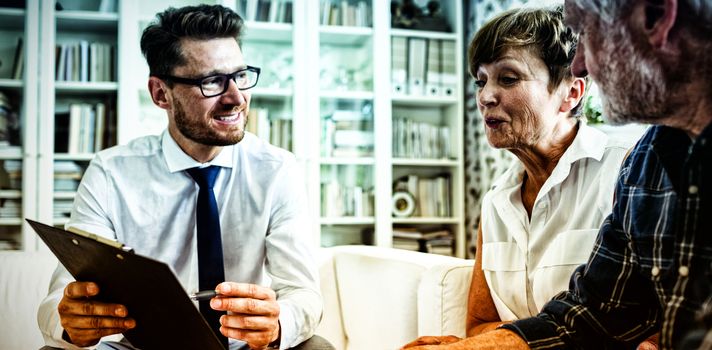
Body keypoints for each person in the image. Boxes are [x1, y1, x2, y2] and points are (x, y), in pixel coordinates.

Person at [403, 0, 712, 348]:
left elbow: (639, 324)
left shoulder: (623, 164)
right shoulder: (649, 163)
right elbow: (591, 316)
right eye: (480, 81)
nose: (486, 96)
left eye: (508, 78)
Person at [37, 5, 331, 350]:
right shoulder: (110, 172)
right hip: (142, 347)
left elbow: (304, 293)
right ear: (161, 94)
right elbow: (60, 299)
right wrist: (72, 323)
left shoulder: (279, 169)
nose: (236, 98)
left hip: (242, 348)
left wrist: (279, 323)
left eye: (240, 76)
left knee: (317, 348)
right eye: (212, 82)